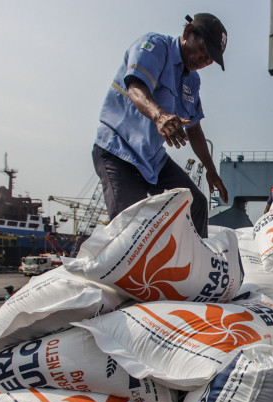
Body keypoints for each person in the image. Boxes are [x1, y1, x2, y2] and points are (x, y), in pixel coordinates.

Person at [92, 13, 229, 238]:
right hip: (118, 151)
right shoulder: (154, 46)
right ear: (187, 33)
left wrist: (212, 171)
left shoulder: (192, 80)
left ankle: (196, 265)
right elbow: (135, 88)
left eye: (210, 59)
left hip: (153, 160)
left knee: (196, 203)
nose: (204, 60)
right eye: (203, 50)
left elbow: (194, 129)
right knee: (130, 227)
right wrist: (160, 116)